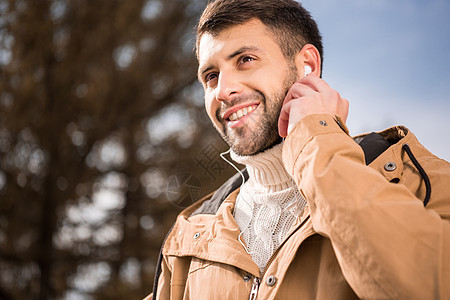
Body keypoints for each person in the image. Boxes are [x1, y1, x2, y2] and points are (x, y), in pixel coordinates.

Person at [146, 0, 450, 299]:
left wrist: (315, 140)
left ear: (307, 66)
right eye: (211, 76)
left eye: (246, 60)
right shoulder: (188, 237)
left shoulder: (420, 180)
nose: (223, 91)